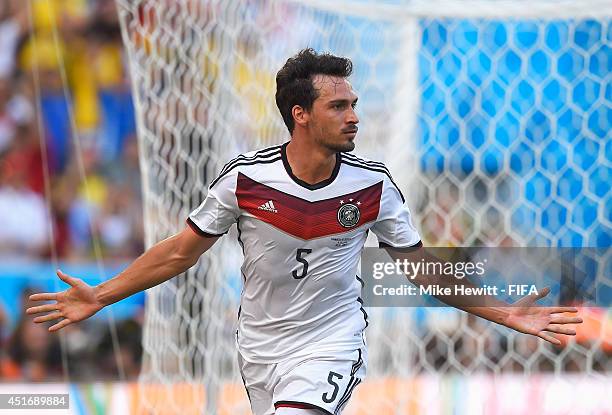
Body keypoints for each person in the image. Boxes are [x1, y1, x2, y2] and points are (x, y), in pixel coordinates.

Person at [27, 49, 582, 415]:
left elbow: (420, 268)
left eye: (354, 106)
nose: (353, 117)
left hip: (332, 340)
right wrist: (98, 296)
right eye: (338, 106)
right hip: (260, 346)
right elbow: (177, 254)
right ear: (300, 114)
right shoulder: (245, 179)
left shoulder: (374, 186)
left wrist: (504, 312)